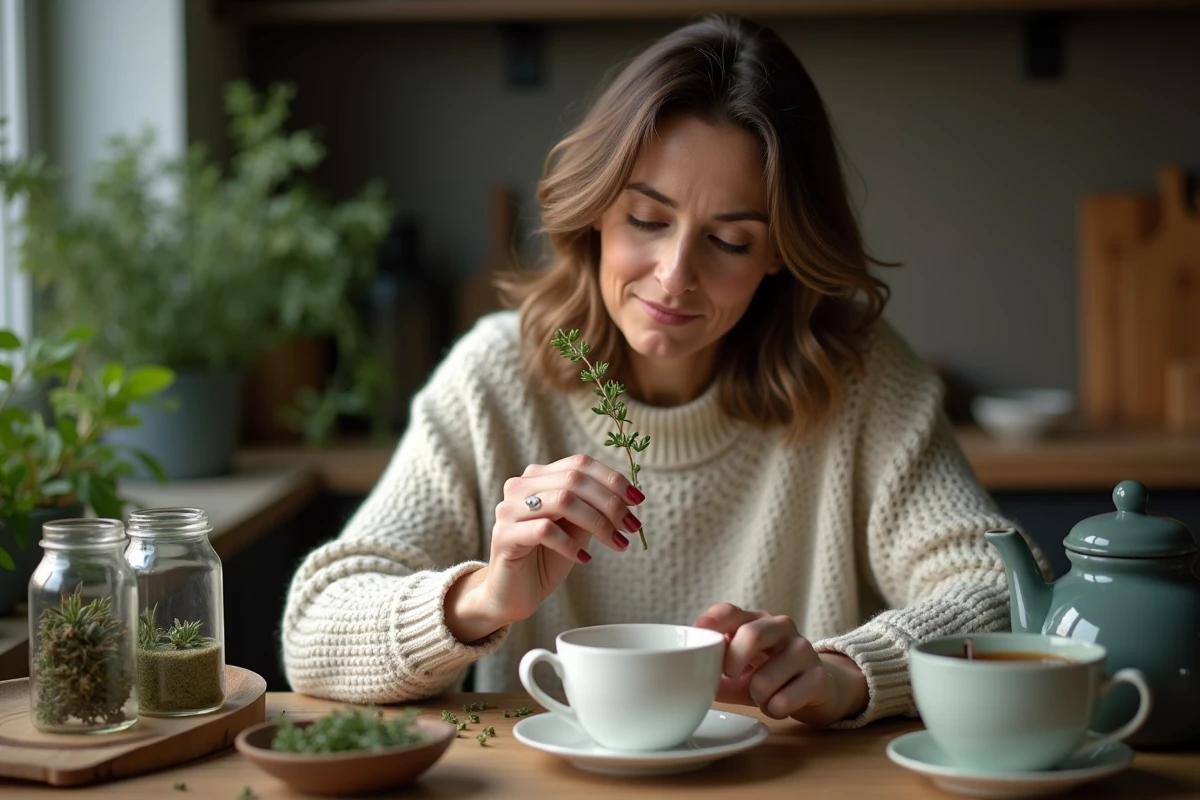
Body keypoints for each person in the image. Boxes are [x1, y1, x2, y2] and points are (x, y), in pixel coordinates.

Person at [282, 14, 1034, 729]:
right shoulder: (493, 376)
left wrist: (849, 670)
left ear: (780, 254)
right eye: (647, 220)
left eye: (731, 241)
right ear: (599, 208)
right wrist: (481, 597)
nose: (675, 276)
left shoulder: (859, 376)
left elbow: (1004, 588)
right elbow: (314, 633)